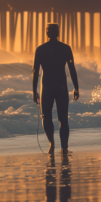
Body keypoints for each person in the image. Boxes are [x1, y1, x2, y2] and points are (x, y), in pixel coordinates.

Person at [32, 23, 79, 155]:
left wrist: (34, 90)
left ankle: (52, 144)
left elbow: (35, 71)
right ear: (58, 33)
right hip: (61, 86)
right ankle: (64, 147)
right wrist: (76, 87)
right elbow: (72, 69)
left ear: (46, 33)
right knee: (63, 118)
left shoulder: (41, 49)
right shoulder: (65, 48)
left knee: (45, 116)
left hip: (46, 86)